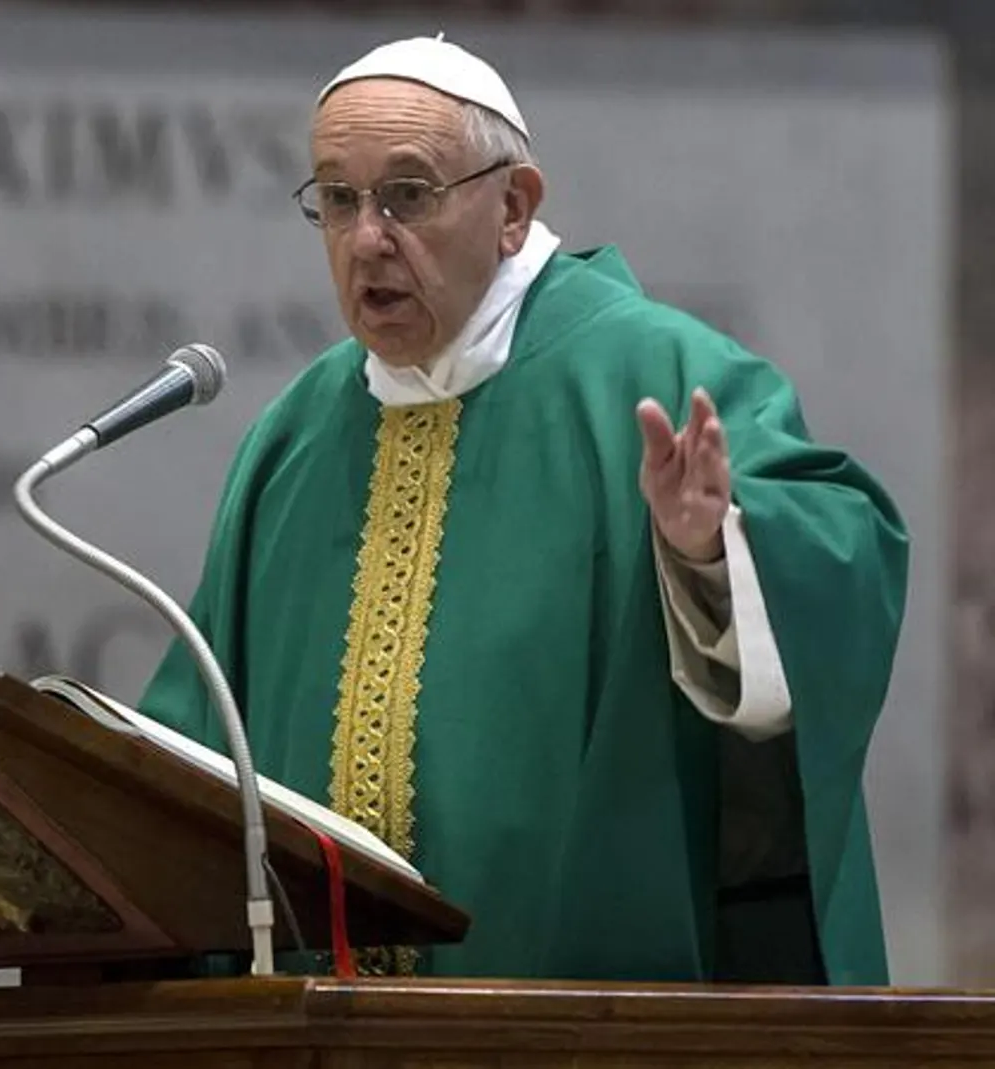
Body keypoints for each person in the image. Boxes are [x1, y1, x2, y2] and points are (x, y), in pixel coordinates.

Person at [135, 34, 909, 985]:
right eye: (337, 198)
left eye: (408, 196)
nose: (368, 236)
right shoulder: (291, 440)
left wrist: (710, 556)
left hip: (575, 1017)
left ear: (513, 207)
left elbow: (845, 554)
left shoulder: (658, 376)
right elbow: (191, 747)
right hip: (318, 1027)